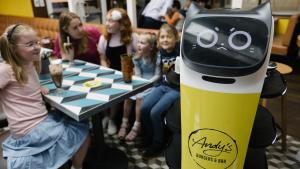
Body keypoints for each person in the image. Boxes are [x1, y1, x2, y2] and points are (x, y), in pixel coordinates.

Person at [0, 24, 90, 169]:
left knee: (78, 119)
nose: (37, 47)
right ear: (13, 48)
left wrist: (37, 87)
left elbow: (21, 85)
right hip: (29, 130)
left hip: (40, 121)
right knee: (81, 129)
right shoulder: (5, 69)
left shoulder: (28, 63)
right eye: (30, 44)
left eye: (37, 42)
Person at [140, 24, 180, 158]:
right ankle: (149, 136)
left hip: (176, 89)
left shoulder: (180, 51)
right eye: (162, 37)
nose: (165, 40)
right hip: (163, 86)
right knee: (144, 108)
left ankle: (158, 143)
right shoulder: (160, 52)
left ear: (176, 38)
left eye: (169, 36)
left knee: (155, 112)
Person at [97, 8, 138, 135]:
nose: (107, 24)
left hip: (127, 75)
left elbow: (138, 58)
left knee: (115, 91)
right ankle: (105, 116)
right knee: (99, 87)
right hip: (110, 72)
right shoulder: (104, 38)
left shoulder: (132, 38)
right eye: (106, 20)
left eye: (111, 21)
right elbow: (102, 58)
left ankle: (112, 119)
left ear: (122, 24)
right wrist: (106, 71)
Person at [118, 32, 161, 141]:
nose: (138, 45)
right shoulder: (136, 58)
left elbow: (158, 75)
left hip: (153, 84)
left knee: (139, 97)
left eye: (142, 43)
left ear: (151, 47)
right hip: (142, 82)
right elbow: (138, 74)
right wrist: (137, 85)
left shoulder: (157, 57)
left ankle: (137, 126)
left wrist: (145, 85)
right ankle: (124, 123)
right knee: (128, 95)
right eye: (138, 42)